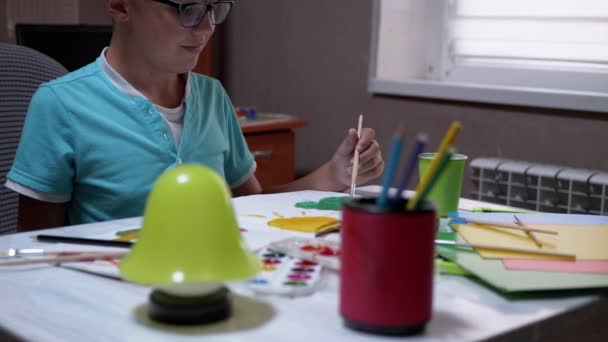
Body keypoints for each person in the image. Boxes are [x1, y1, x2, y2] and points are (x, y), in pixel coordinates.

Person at [5, 0, 384, 232]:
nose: (205, 28)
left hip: (209, 287)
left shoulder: (213, 96)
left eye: (213, 7)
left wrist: (333, 173)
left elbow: (252, 205)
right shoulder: (61, 104)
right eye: (184, 7)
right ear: (120, 4)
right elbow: (36, 243)